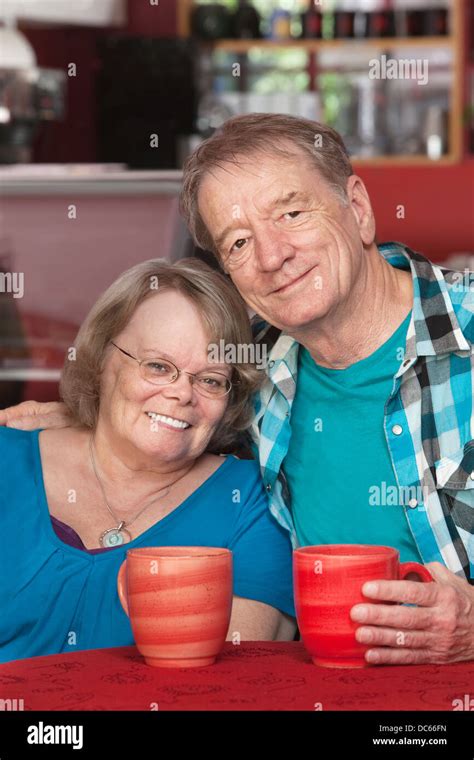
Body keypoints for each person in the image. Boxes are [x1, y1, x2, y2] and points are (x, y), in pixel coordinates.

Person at [3, 114, 474, 665]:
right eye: (240, 242)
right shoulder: (248, 371)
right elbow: (168, 393)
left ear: (359, 209)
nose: (273, 256)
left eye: (292, 213)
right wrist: (84, 413)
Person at [0, 257, 296, 663]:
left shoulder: (252, 501)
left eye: (210, 380)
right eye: (158, 367)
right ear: (102, 359)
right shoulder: (8, 459)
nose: (181, 394)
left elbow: (234, 688)